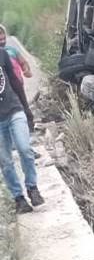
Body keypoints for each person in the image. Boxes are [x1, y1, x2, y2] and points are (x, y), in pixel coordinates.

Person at [0, 40, 43, 213]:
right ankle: (19, 199)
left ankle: (32, 188)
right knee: (5, 162)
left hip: (14, 110)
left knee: (25, 148)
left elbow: (15, 82)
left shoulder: (2, 54)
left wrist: (26, 109)